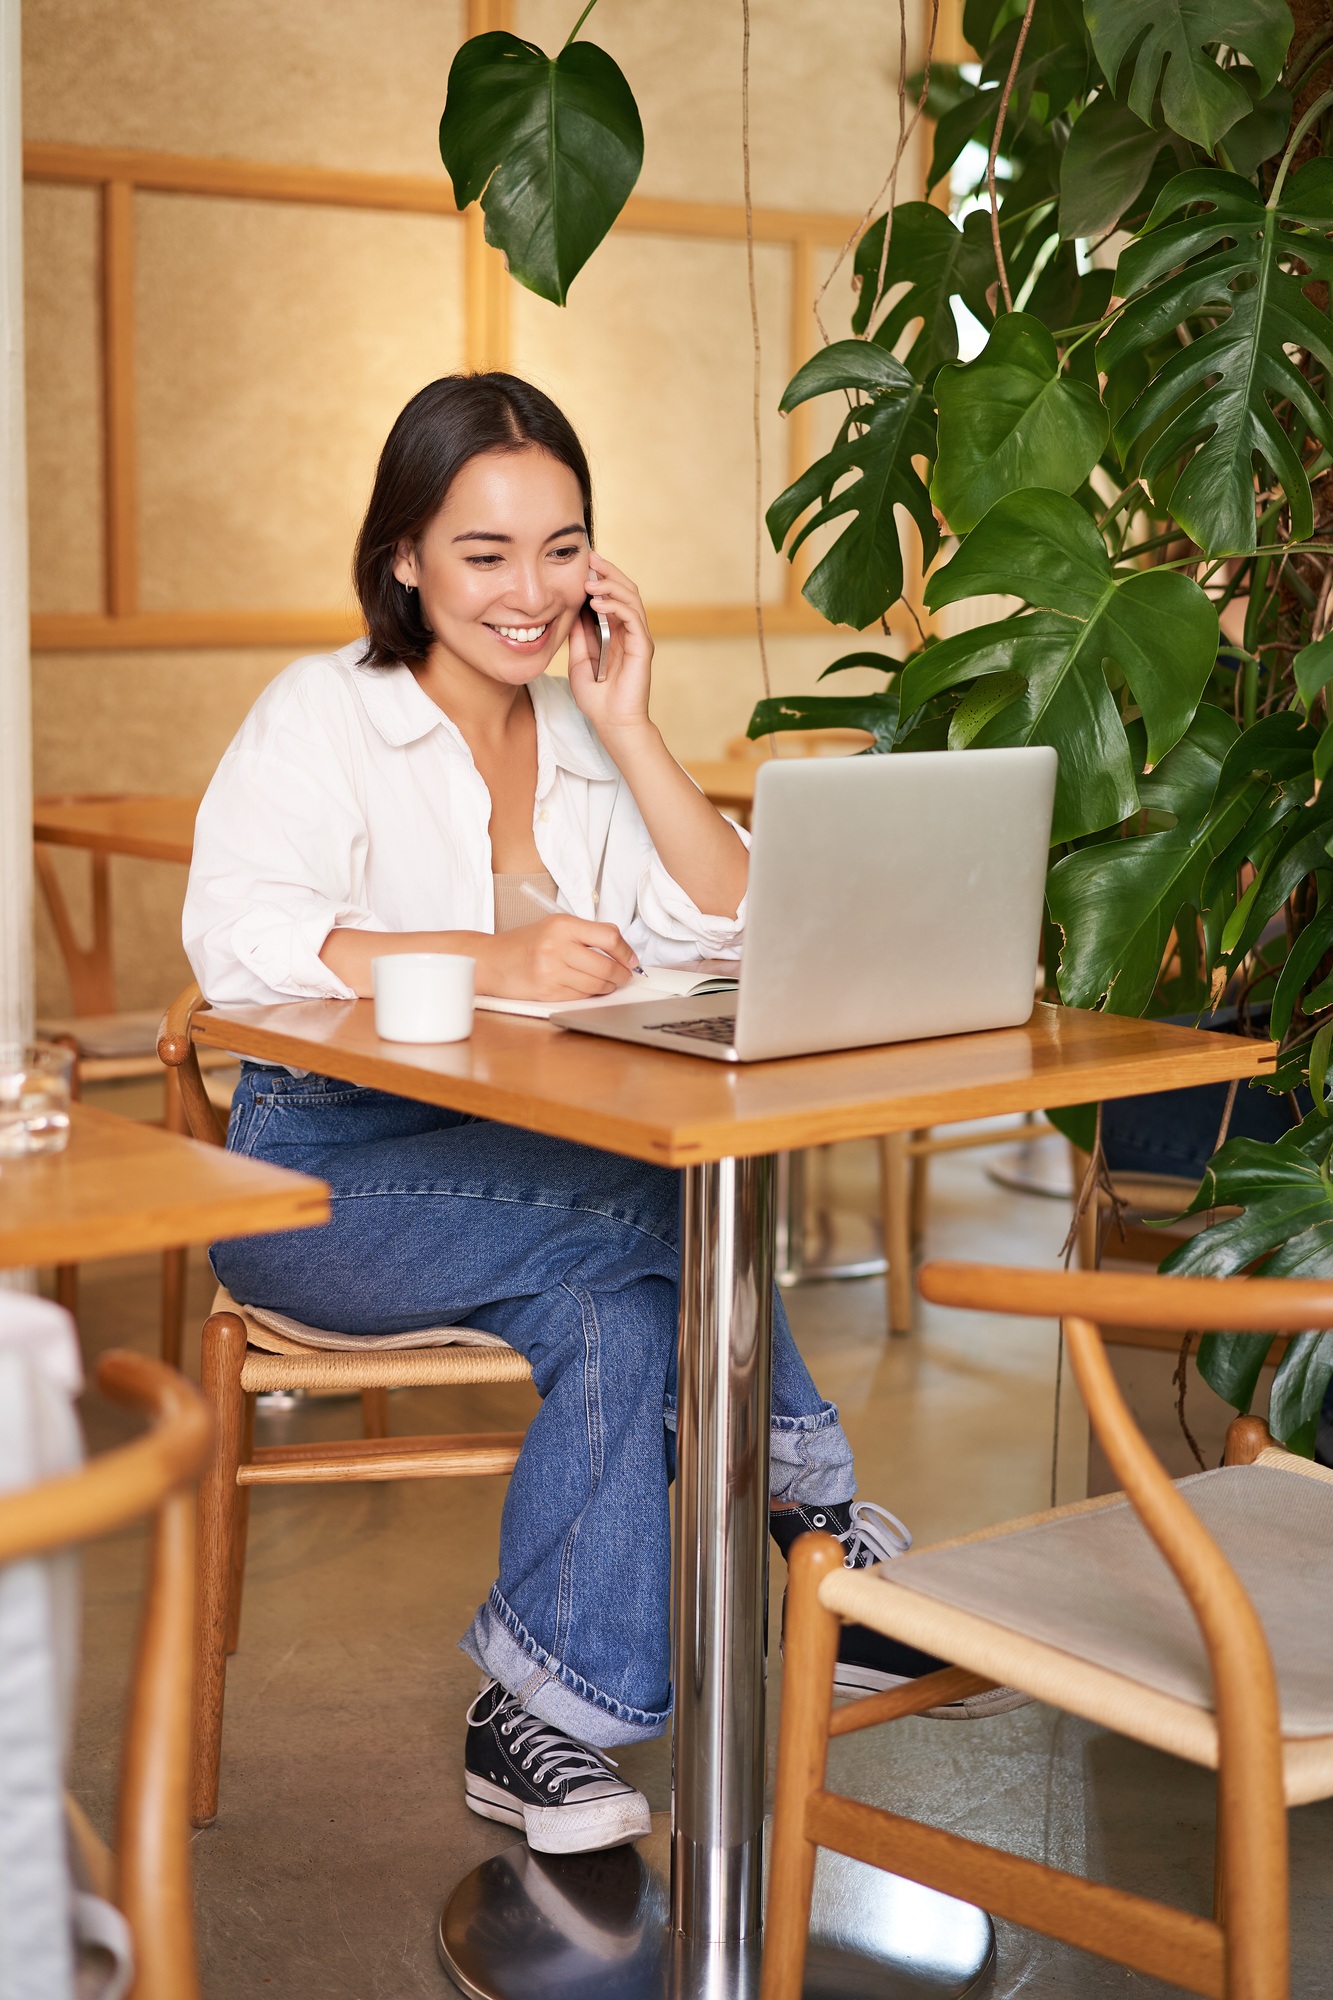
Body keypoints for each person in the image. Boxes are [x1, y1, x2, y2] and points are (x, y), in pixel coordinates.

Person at [184, 373, 1022, 1859]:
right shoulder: (325, 714)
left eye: (561, 547)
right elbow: (235, 933)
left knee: (625, 1313)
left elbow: (738, 918)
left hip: (515, 1179)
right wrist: (483, 959)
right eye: (483, 551)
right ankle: (818, 1526)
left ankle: (541, 1717)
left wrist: (628, 725)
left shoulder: (574, 737)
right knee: (665, 1205)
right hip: (316, 1183)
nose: (528, 590)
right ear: (404, 559)